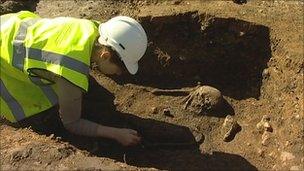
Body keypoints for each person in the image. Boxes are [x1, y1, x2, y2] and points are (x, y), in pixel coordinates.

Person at [0, 11, 148, 146]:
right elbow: (72, 123)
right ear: (105, 55)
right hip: (4, 59)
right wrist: (116, 134)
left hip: (9, 25)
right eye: (120, 69)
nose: (119, 74)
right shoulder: (71, 70)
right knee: (44, 125)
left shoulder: (91, 29)